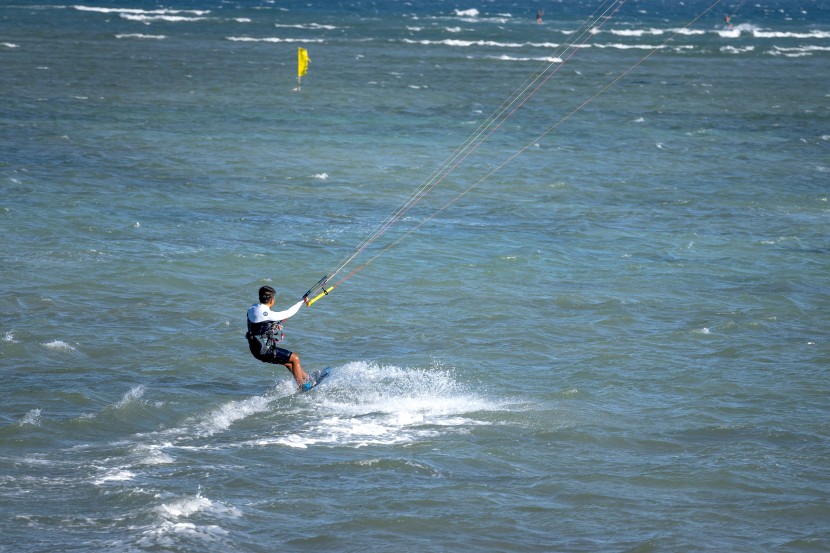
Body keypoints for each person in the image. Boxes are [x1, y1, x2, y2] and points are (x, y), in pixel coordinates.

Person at [246, 285, 312, 389]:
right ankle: (302, 387)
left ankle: (308, 378)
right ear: (272, 300)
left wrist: (271, 326)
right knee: (295, 358)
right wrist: (301, 301)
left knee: (289, 363)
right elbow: (290, 312)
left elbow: (258, 325)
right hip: (265, 351)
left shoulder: (251, 308)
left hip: (254, 349)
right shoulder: (269, 314)